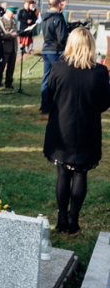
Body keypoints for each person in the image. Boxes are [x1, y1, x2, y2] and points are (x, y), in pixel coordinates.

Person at [43, 28, 110, 236]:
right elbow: (104, 102)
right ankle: (72, 220)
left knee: (63, 172)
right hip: (87, 127)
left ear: (70, 44)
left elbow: (49, 96)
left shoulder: (58, 68)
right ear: (90, 46)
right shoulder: (99, 72)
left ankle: (63, 218)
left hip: (61, 126)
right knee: (80, 173)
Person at [40, 0, 69, 115]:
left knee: (46, 78)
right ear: (59, 5)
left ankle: (45, 104)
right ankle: (55, 104)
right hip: (56, 50)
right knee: (58, 78)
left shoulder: (45, 17)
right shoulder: (58, 18)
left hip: (46, 49)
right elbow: (62, 38)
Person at [0, 8, 18, 89]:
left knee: (11, 67)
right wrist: (10, 36)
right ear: (7, 12)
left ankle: (9, 83)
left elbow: (16, 30)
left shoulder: (14, 20)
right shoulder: (0, 21)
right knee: (2, 66)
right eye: (12, 13)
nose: (13, 15)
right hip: (5, 47)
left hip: (13, 47)